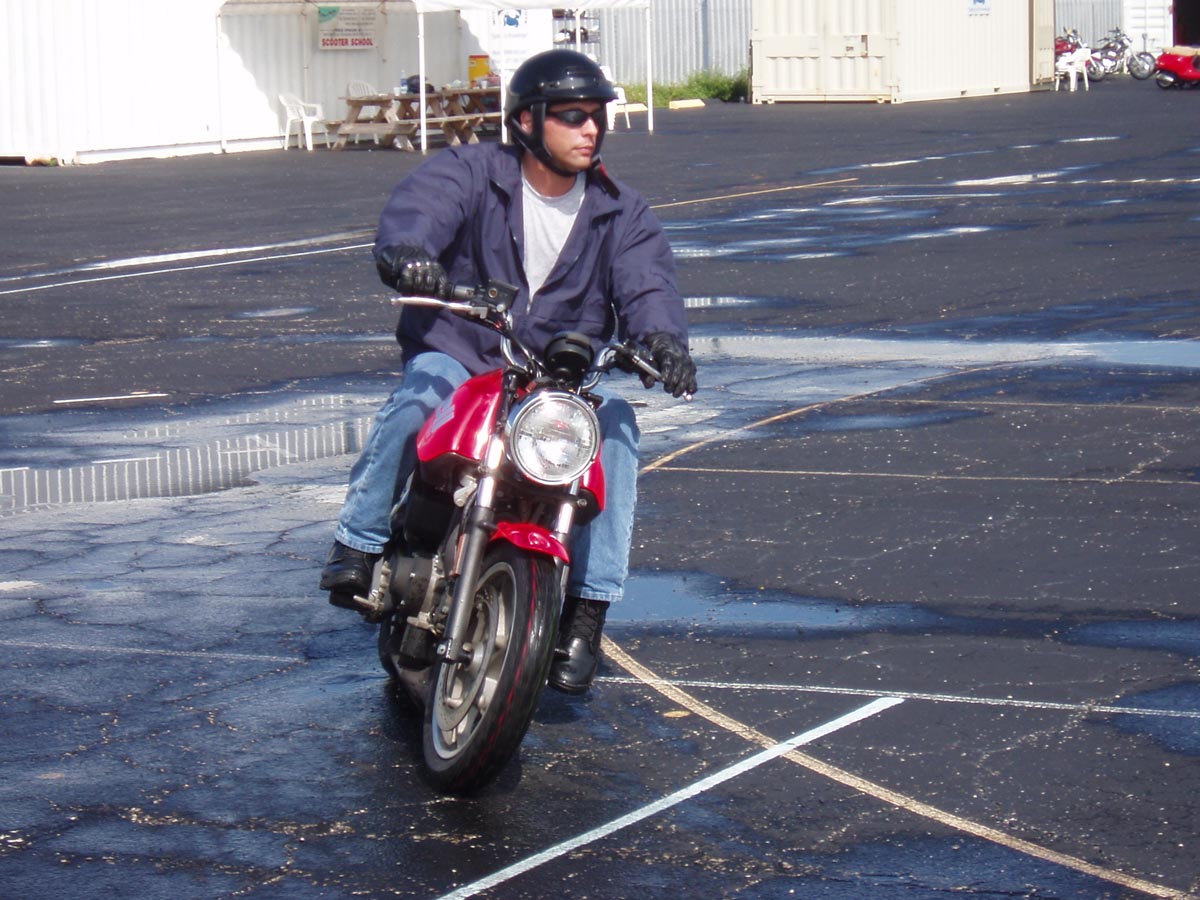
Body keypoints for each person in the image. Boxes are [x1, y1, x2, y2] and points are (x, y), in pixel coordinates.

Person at [319, 49, 697, 695]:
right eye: (572, 115)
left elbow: (647, 285)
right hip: (464, 350)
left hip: (555, 379)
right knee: (422, 397)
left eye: (597, 116)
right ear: (526, 120)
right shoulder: (471, 171)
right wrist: (409, 255)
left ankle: (587, 611)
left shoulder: (620, 211)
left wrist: (662, 341)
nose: (590, 129)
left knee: (617, 429)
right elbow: (419, 211)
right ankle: (358, 540)